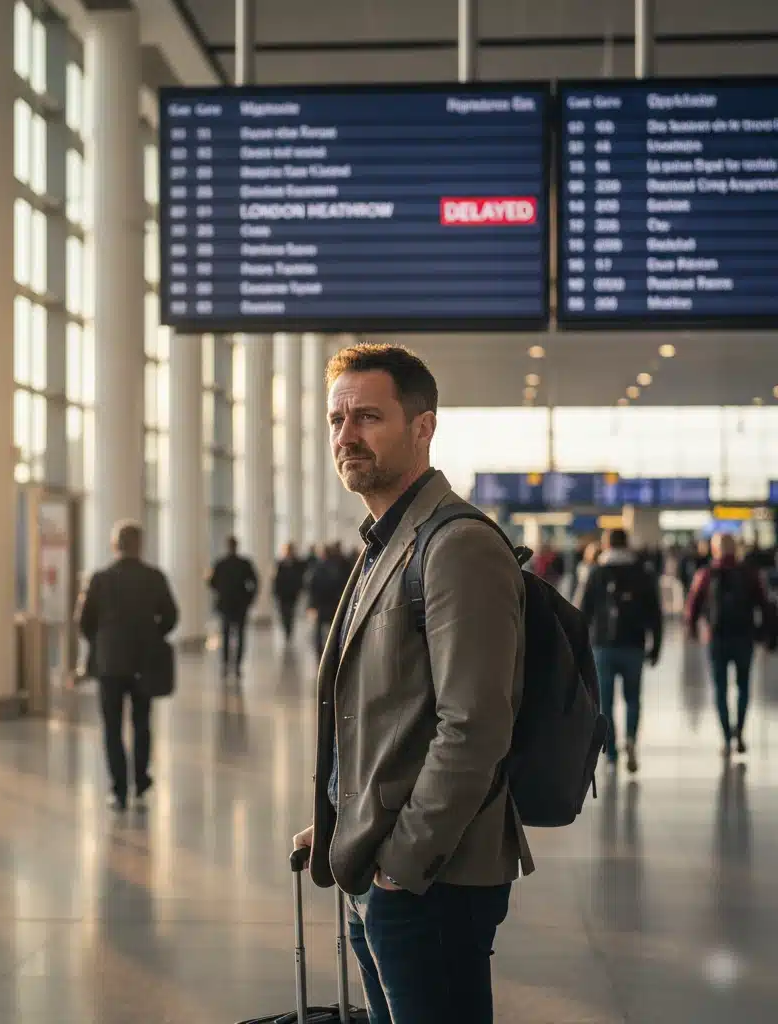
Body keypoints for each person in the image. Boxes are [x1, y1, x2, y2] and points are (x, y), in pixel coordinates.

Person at [292, 343, 531, 1024]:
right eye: (337, 420)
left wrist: (401, 866)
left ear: (422, 426)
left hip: (434, 879)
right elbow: (393, 710)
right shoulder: (386, 541)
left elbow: (474, 724)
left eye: (367, 417)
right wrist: (342, 818)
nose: (347, 436)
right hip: (386, 865)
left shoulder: (455, 545)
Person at [78, 520, 178, 812]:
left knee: (111, 726)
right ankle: (140, 782)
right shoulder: (154, 578)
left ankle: (118, 789)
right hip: (144, 662)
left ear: (115, 545)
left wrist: (102, 641)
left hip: (109, 663)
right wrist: (154, 634)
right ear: (139, 545)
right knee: (141, 723)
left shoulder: (100, 579)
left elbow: (85, 622)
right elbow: (171, 616)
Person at [686, 533, 777, 757]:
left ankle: (726, 738)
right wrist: (767, 635)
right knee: (743, 686)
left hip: (716, 638)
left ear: (715, 550)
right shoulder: (749, 574)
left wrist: (693, 631)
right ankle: (740, 733)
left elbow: (692, 607)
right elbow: (765, 606)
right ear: (735, 549)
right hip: (744, 637)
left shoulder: (706, 574)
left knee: (720, 688)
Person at [580, 529, 662, 773]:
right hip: (634, 644)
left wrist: (579, 647)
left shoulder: (596, 573)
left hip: (603, 646)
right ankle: (631, 741)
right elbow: (654, 614)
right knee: (633, 698)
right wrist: (655, 645)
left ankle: (612, 754)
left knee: (605, 701)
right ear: (627, 544)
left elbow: (584, 612)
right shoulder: (643, 573)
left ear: (606, 544)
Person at [208, 536, 259, 679]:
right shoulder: (242, 564)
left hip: (228, 605)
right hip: (238, 605)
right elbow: (254, 583)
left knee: (228, 635)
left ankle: (228, 665)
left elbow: (211, 583)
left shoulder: (221, 564)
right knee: (237, 636)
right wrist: (249, 599)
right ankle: (235, 666)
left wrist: (222, 593)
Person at [306, 542, 353, 659]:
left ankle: (321, 653)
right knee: (333, 629)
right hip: (333, 604)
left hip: (323, 605)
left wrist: (312, 605)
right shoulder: (338, 567)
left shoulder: (318, 567)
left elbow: (312, 587)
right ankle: (331, 653)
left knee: (319, 631)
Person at [272, 542, 306, 646]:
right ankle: (286, 629)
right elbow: (276, 579)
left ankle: (289, 631)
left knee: (290, 613)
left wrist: (299, 589)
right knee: (283, 613)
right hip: (282, 594)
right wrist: (275, 592)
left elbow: (301, 578)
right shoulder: (280, 563)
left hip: (292, 593)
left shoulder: (298, 563)